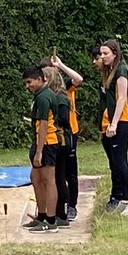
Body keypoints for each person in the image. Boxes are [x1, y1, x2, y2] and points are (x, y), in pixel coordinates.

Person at [98, 39, 128, 216]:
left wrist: (114, 123)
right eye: (101, 54)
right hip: (114, 120)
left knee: (119, 161)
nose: (102, 57)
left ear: (115, 54)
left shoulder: (122, 70)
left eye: (105, 54)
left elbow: (122, 98)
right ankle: (125, 198)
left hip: (122, 121)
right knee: (116, 161)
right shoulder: (110, 71)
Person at [22, 65, 63, 232]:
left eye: (30, 82)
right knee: (36, 178)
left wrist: (39, 151)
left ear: (40, 79)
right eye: (25, 83)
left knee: (48, 180)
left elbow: (44, 125)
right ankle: (41, 215)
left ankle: (51, 221)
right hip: (40, 141)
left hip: (47, 142)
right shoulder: (39, 96)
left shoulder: (44, 97)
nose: (28, 86)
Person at [47, 52, 85, 220]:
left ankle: (72, 206)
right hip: (54, 136)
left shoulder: (65, 88)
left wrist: (61, 66)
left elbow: (79, 80)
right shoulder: (46, 92)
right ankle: (58, 205)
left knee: (70, 172)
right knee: (57, 173)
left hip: (69, 133)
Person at [40, 62, 72, 228]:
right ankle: (56, 212)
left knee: (59, 177)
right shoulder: (51, 96)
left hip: (61, 141)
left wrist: (50, 121)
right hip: (56, 140)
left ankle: (62, 214)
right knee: (56, 177)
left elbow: (64, 120)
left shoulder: (60, 98)